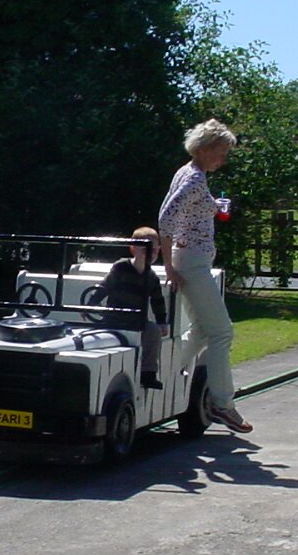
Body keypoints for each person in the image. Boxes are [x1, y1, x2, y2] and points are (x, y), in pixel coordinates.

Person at [157, 118, 252, 434]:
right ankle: (222, 403)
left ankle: (162, 373)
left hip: (189, 259)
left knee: (199, 330)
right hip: (192, 263)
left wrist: (214, 207)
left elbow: (184, 212)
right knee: (222, 332)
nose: (223, 159)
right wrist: (169, 267)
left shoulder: (187, 172)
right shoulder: (195, 179)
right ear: (205, 149)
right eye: (221, 152)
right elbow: (166, 218)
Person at [88, 227, 170, 389]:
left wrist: (162, 322)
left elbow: (157, 301)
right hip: (114, 317)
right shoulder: (121, 267)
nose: (150, 254)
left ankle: (148, 373)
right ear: (133, 249)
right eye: (145, 249)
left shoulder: (151, 277)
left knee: (153, 331)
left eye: (154, 250)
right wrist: (91, 304)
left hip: (137, 321)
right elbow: (105, 286)